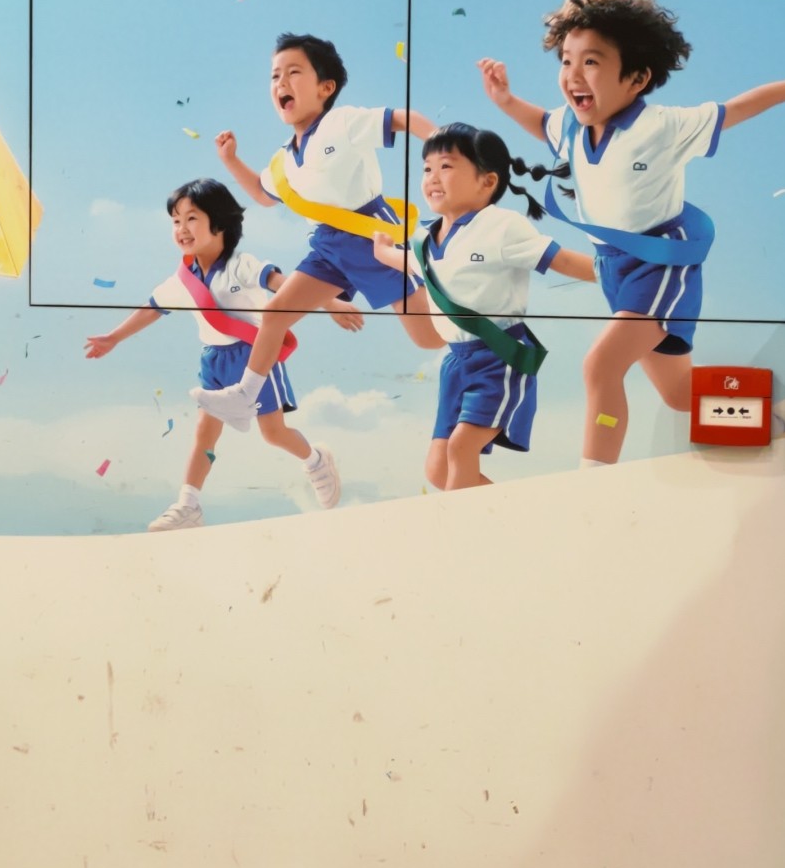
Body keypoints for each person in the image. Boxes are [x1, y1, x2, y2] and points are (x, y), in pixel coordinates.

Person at [479, 0, 785, 466]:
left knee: (600, 366)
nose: (573, 75)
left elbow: (731, 111)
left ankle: (594, 481)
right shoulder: (569, 126)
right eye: (566, 61)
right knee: (679, 392)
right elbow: (541, 123)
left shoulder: (661, 127)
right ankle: (778, 416)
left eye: (591, 62)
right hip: (614, 269)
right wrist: (505, 100)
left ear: (638, 77)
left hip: (661, 263)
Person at [195, 31, 442, 433]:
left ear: (325, 87)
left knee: (428, 338)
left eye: (293, 72)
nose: (281, 82)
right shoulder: (283, 161)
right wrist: (230, 160)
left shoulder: (341, 123)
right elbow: (262, 194)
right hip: (328, 246)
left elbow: (401, 118)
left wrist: (443, 144)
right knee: (274, 315)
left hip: (373, 237)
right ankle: (245, 397)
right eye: (275, 76)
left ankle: (477, 318)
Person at [84, 176, 354, 530]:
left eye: (191, 218)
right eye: (175, 221)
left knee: (273, 433)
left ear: (221, 222)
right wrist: (114, 338)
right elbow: (151, 308)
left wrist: (331, 302)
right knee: (204, 433)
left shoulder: (242, 264)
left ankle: (316, 460)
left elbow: (286, 286)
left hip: (256, 356)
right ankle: (188, 505)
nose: (181, 228)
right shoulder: (182, 279)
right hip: (213, 359)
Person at [372, 121, 589, 490]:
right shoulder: (425, 238)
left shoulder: (502, 226)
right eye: (427, 168)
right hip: (455, 363)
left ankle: (462, 527)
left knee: (461, 449)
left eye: (446, 166)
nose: (432, 177)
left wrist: (612, 272)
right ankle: (514, 516)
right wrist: (383, 252)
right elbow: (415, 263)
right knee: (438, 470)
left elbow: (561, 260)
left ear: (487, 182)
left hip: (498, 357)